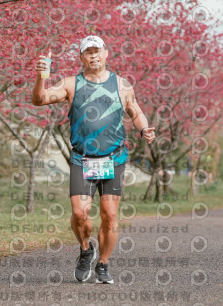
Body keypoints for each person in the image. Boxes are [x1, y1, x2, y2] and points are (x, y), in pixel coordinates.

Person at [32, 35, 155, 284]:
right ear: (81, 57)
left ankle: (103, 264)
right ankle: (86, 249)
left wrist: (144, 129)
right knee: (80, 213)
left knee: (110, 215)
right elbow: (39, 100)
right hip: (82, 159)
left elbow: (136, 112)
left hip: (113, 159)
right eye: (88, 52)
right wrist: (42, 76)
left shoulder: (122, 85)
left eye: (97, 50)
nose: (93, 55)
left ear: (106, 53)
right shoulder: (71, 84)